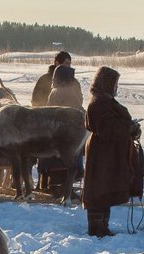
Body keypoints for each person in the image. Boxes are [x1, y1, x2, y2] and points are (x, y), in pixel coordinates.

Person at [82, 66, 140, 238]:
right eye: (114, 84)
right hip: (102, 155)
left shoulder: (105, 101)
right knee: (99, 189)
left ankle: (103, 226)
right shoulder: (98, 104)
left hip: (109, 154)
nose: (116, 87)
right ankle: (97, 227)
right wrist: (128, 128)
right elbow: (107, 128)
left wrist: (133, 129)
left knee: (105, 190)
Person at [39, 63, 85, 194]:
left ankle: (53, 184)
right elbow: (77, 108)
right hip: (66, 133)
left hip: (53, 131)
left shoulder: (54, 91)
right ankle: (65, 186)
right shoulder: (67, 91)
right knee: (73, 155)